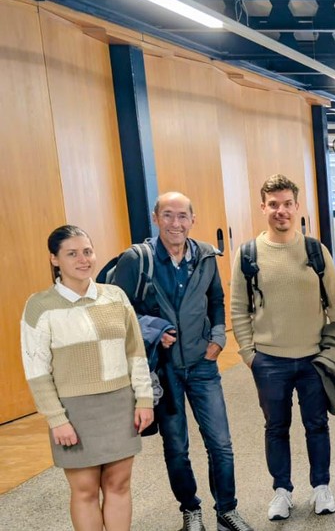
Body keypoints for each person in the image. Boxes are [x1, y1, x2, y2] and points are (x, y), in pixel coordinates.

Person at [110, 192, 252, 531]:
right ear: (156, 218)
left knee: (221, 443)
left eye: (182, 216)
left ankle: (226, 510)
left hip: (203, 365)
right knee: (176, 446)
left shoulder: (204, 256)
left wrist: (218, 337)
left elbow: (216, 299)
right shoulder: (137, 259)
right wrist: (155, 329)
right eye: (168, 215)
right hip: (164, 368)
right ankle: (190, 510)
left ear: (192, 220)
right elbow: (118, 308)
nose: (176, 223)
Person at [230, 174, 335, 521]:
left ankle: (321, 487)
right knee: (276, 427)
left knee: (316, 425)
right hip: (269, 360)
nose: (280, 211)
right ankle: (281, 491)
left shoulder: (315, 250)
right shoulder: (248, 254)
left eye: (287, 204)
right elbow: (239, 308)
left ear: (297, 207)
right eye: (273, 205)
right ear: (263, 207)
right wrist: (249, 354)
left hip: (313, 356)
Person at [20, 225, 155, 531]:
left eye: (87, 251)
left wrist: (143, 400)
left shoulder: (115, 296)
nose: (83, 260)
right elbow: (37, 371)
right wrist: (57, 419)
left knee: (119, 485)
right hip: (74, 412)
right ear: (55, 259)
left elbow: (136, 353)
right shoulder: (39, 306)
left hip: (119, 404)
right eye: (72, 254)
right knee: (84, 491)